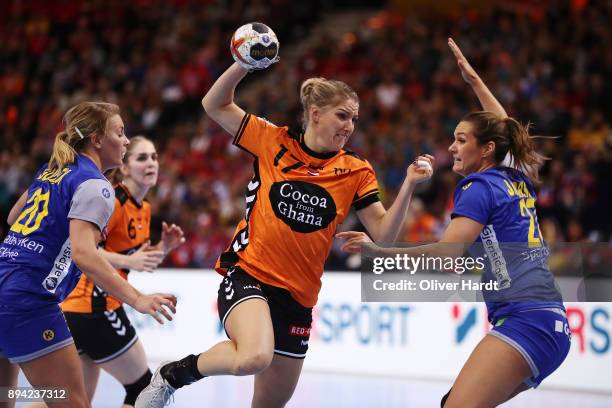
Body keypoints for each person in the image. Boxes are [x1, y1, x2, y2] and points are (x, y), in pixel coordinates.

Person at [135, 44, 434, 407]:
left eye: (354, 119)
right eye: (342, 116)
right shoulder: (272, 140)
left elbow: (384, 236)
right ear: (315, 113)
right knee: (253, 357)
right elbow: (213, 104)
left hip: (300, 299)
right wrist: (241, 65)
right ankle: (173, 374)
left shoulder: (356, 170)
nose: (349, 126)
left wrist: (409, 184)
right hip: (250, 276)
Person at [337, 38, 571, 407]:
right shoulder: (514, 178)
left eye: (461, 140)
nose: (452, 147)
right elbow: (506, 132)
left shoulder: (479, 186)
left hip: (525, 322)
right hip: (550, 324)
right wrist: (476, 83)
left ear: (487, 149)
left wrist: (379, 251)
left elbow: (448, 257)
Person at [0, 102, 177, 408]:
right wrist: (138, 299)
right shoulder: (96, 186)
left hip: (6, 281)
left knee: (7, 396)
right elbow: (85, 254)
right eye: (119, 133)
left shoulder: (52, 171)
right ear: (96, 139)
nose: (124, 140)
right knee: (73, 402)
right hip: (28, 301)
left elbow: (13, 218)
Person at [58, 135, 185, 408]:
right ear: (125, 168)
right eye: (142, 158)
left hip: (81, 311)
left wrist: (163, 249)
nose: (151, 163)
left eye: (154, 157)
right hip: (94, 308)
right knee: (144, 389)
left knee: (74, 402)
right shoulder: (111, 202)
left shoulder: (145, 209)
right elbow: (82, 251)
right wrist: (130, 262)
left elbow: (133, 259)